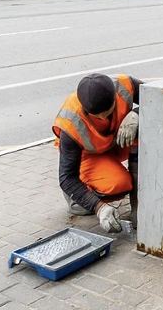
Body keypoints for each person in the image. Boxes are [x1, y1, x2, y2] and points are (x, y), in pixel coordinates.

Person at [53, 73, 141, 232]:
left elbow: (160, 100)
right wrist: (99, 207)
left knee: (147, 129)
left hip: (117, 140)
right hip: (89, 155)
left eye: (108, 112)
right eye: (97, 116)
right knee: (119, 184)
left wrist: (137, 114)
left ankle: (139, 206)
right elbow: (67, 178)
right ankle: (78, 198)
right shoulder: (71, 122)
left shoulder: (124, 86)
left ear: (114, 98)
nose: (102, 118)